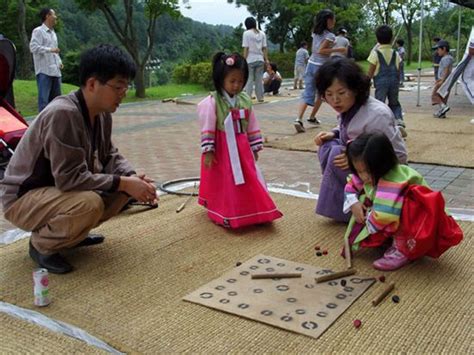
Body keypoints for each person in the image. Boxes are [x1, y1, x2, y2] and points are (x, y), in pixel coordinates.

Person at [0, 45, 158, 274]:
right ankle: (42, 245)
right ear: (92, 84)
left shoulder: (102, 114)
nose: (124, 92)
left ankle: (72, 236)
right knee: (90, 202)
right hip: (22, 199)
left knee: (121, 191)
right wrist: (124, 182)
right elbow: (69, 179)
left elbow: (110, 155)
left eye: (126, 86)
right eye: (118, 86)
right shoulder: (63, 114)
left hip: (54, 192)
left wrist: (132, 179)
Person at [342, 133, 463, 271]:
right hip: (393, 211)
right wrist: (353, 203)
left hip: (426, 219)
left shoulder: (392, 180)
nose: (363, 176)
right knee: (365, 200)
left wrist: (365, 221)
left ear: (382, 164)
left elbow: (384, 215)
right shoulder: (371, 173)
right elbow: (351, 184)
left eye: (367, 171)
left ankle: (403, 250)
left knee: (404, 207)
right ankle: (393, 238)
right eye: (359, 171)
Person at [313, 58, 407, 223]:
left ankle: (361, 207)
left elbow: (399, 156)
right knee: (327, 146)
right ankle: (344, 206)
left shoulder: (376, 115)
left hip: (381, 176)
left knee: (336, 152)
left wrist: (356, 160)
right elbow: (348, 129)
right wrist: (334, 133)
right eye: (329, 94)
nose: (335, 100)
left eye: (341, 93)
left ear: (355, 89)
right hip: (360, 167)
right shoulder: (351, 108)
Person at [197, 52, 283, 228]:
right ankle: (227, 213)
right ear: (221, 79)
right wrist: (208, 151)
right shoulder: (212, 102)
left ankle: (253, 209)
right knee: (225, 180)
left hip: (241, 146)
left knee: (249, 176)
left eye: (240, 81)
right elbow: (208, 126)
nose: (236, 85)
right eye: (232, 81)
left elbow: (251, 123)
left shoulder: (244, 99)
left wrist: (254, 147)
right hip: (222, 148)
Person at [294, 9, 346, 133]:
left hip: (311, 65)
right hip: (321, 67)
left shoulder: (315, 32)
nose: (334, 21)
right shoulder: (330, 36)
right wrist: (338, 50)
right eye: (333, 19)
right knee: (322, 94)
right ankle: (312, 117)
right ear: (328, 20)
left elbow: (315, 49)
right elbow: (321, 50)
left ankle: (298, 119)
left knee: (308, 93)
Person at [367, 25, 406, 137]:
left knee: (379, 104)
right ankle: (399, 122)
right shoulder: (396, 53)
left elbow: (371, 70)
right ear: (391, 38)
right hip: (394, 82)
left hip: (381, 82)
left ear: (377, 39)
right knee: (394, 103)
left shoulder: (375, 53)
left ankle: (378, 127)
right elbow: (398, 69)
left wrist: (367, 81)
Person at [30, 8, 63, 112]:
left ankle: (55, 125)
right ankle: (43, 126)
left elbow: (55, 51)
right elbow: (33, 47)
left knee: (57, 102)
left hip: (56, 72)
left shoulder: (53, 33)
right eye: (54, 15)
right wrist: (50, 50)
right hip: (44, 71)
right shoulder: (38, 31)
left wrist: (60, 62)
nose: (56, 17)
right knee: (44, 102)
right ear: (47, 16)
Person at [242, 17, 269, 103]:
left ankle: (248, 97)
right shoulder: (262, 34)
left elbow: (246, 48)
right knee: (259, 79)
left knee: (249, 79)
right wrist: (266, 59)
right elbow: (264, 48)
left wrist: (243, 60)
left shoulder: (246, 34)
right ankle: (260, 97)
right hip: (260, 59)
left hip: (250, 59)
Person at [431, 40, 454, 118]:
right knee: (443, 97)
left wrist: (442, 80)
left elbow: (446, 70)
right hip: (447, 81)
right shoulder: (449, 58)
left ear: (444, 49)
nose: (437, 51)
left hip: (444, 81)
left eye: (438, 49)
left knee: (435, 95)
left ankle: (443, 107)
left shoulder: (446, 58)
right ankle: (442, 112)